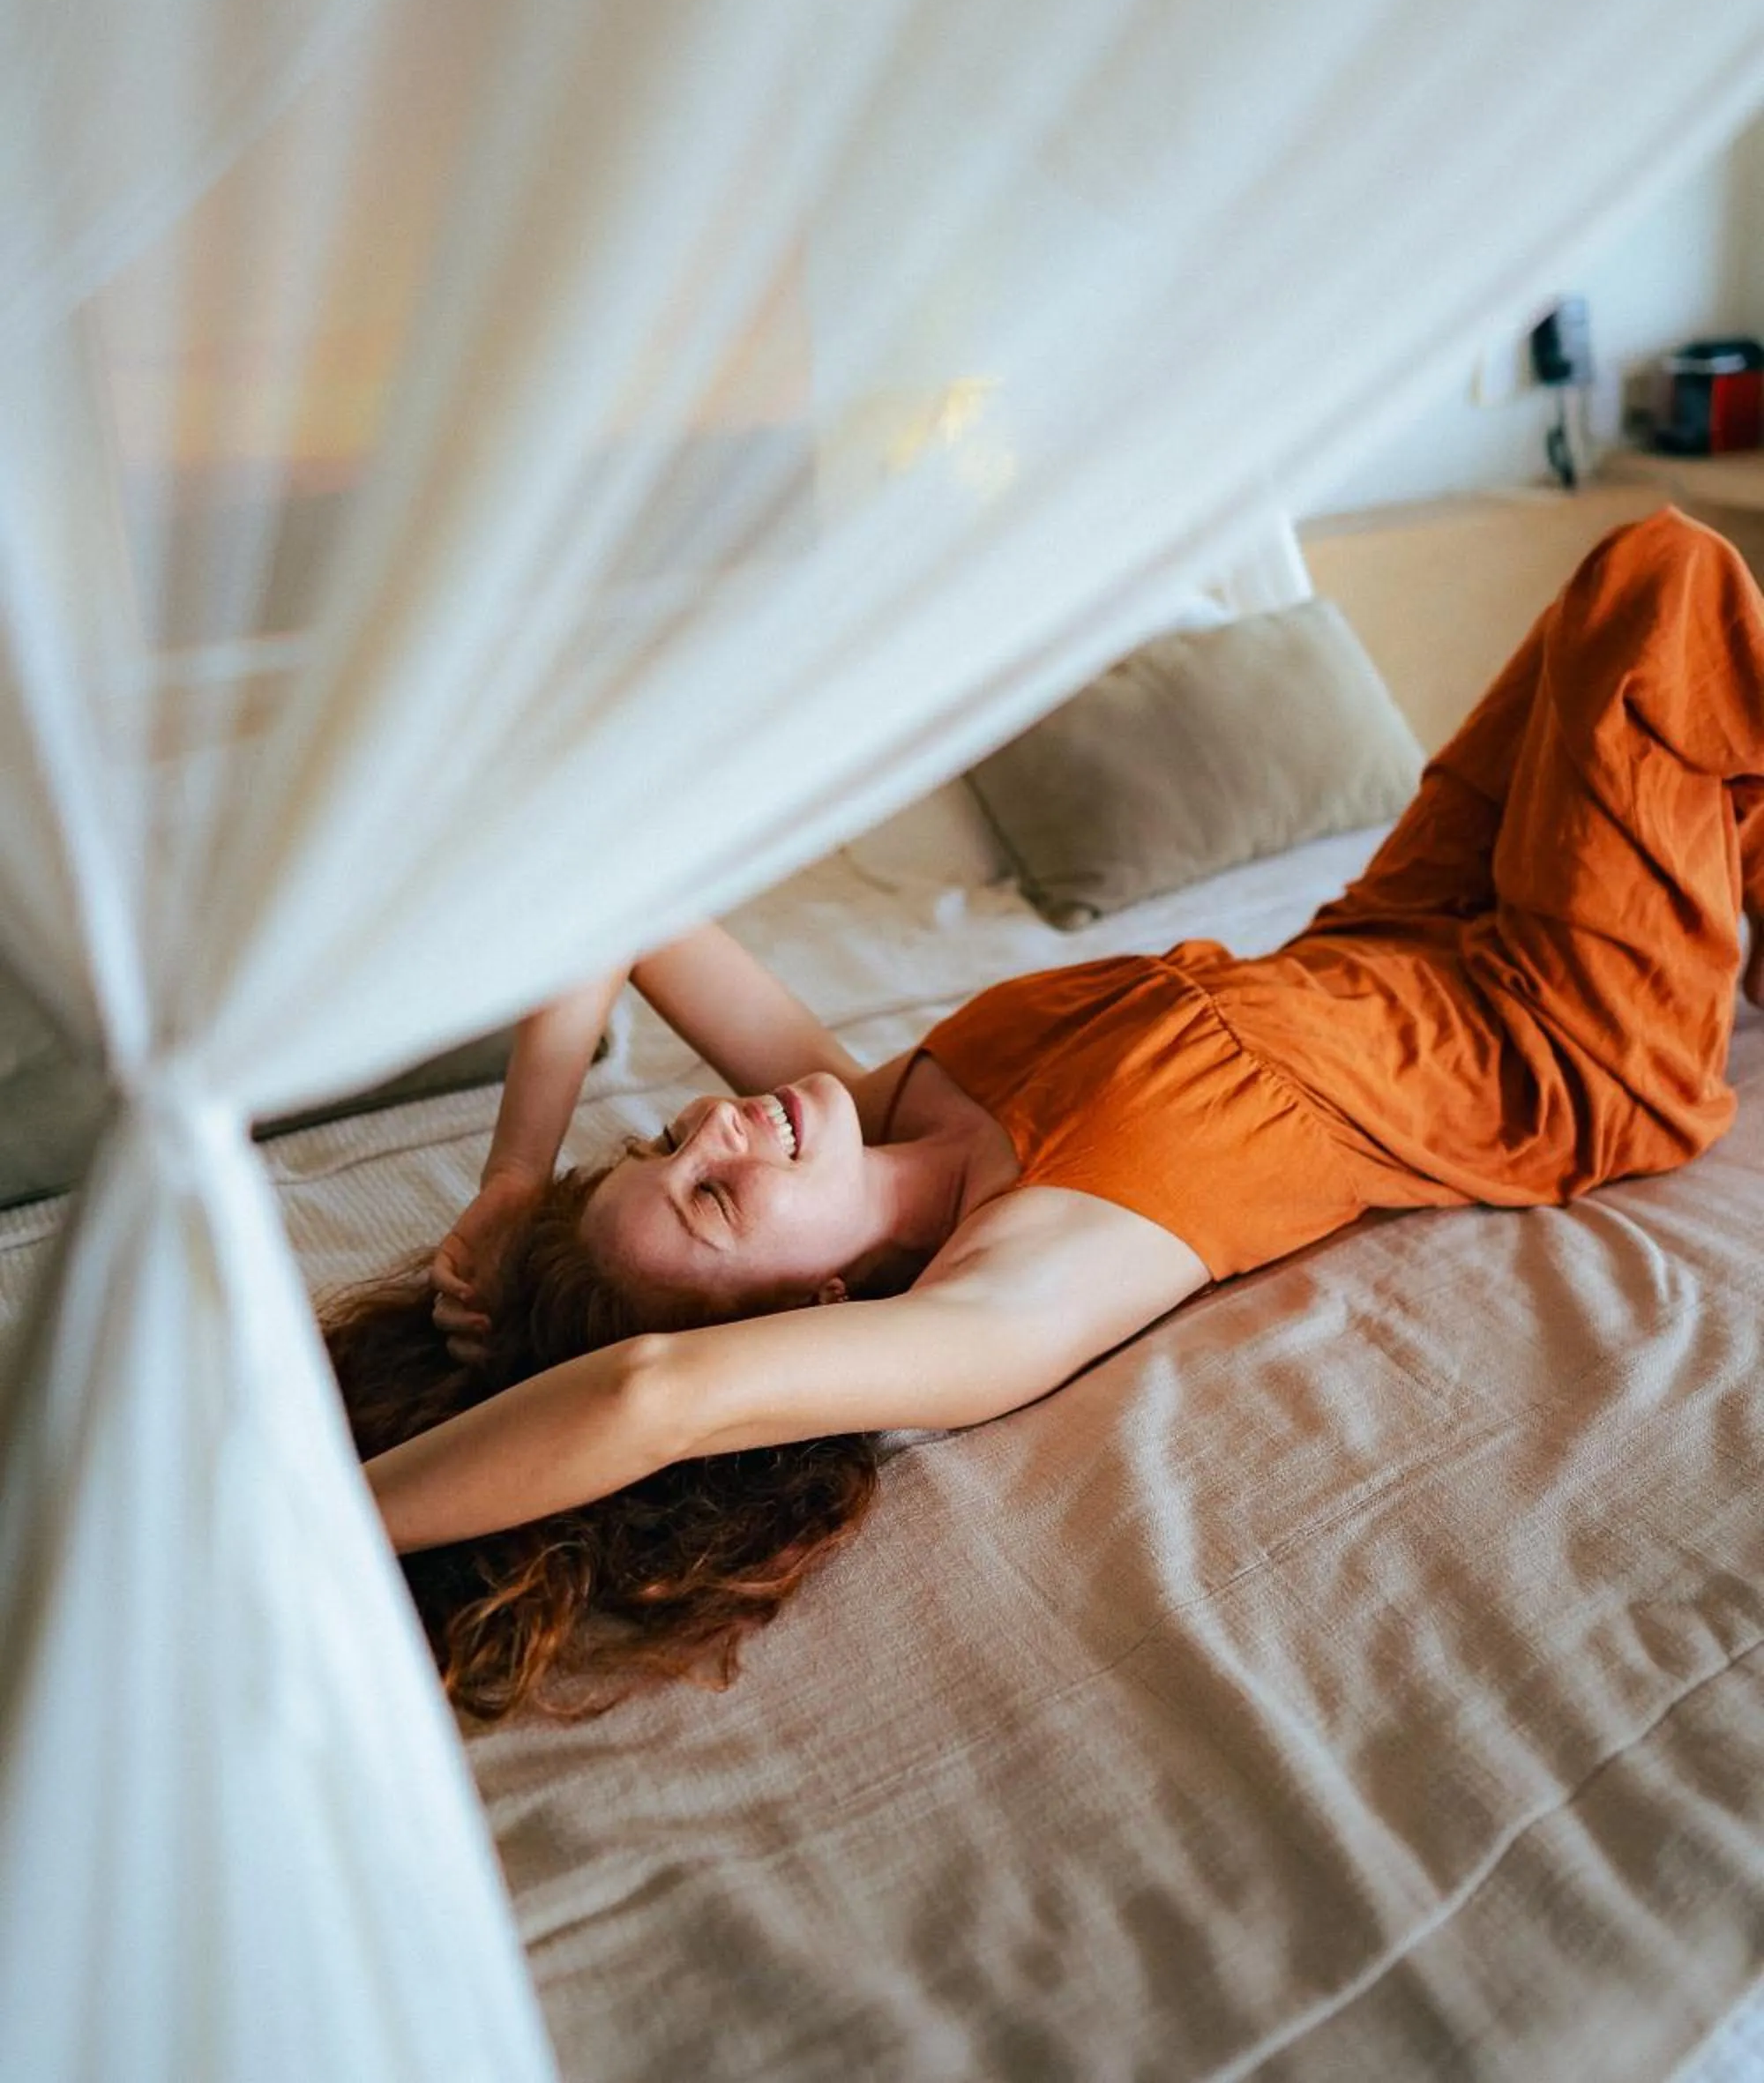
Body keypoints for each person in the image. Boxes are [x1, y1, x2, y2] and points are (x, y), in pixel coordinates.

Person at [325, 509, 1764, 1721]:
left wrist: (516, 1185)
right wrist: (317, 1525)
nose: (715, 1123)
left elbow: (616, 890)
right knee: (1666, 579)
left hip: (1391, 930)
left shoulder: (888, 1107)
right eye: (710, 1196)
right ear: (808, 1307)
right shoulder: (1008, 1293)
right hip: (1561, 1041)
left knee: (1647, 647)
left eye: (660, 1141)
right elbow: (654, 1395)